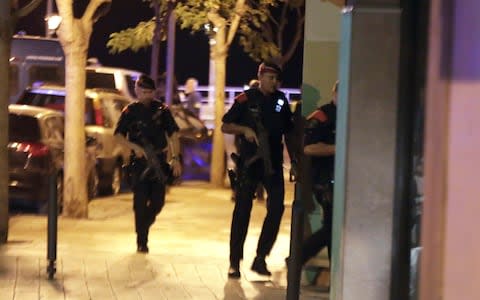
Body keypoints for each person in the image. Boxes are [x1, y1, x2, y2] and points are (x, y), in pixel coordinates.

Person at [222, 61, 297, 278]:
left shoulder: (281, 101)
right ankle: (234, 262)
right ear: (261, 76)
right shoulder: (246, 99)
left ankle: (260, 257)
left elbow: (289, 133)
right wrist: (244, 129)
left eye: (277, 79)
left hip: (272, 163)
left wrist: (294, 162)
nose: (275, 82)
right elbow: (225, 124)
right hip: (249, 163)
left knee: (277, 209)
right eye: (271, 78)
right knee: (242, 211)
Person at [114, 74, 182, 253]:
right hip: (139, 163)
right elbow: (118, 135)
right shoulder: (130, 111)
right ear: (137, 91)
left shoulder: (162, 110)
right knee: (140, 203)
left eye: (150, 92)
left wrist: (175, 159)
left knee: (158, 202)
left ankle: (143, 226)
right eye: (144, 92)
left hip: (158, 161)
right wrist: (133, 147)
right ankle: (142, 241)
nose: (147, 96)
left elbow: (174, 135)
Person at [301, 81, 338, 267]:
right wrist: (336, 149)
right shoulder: (322, 116)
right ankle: (298, 258)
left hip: (346, 181)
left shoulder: (353, 115)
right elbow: (308, 148)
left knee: (333, 228)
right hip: (324, 180)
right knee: (332, 227)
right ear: (336, 94)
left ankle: (298, 258)